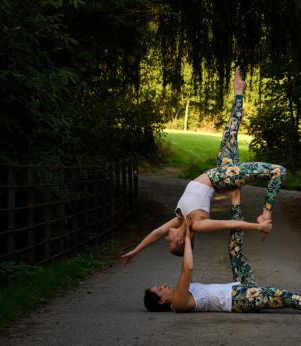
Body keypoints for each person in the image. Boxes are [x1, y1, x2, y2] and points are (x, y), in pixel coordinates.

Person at [121, 66, 286, 261]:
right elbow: (228, 225)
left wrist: (135, 251)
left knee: (230, 130)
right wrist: (259, 226)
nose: (167, 236)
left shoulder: (180, 217)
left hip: (219, 172)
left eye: (168, 240)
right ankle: (266, 214)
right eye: (170, 241)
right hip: (221, 178)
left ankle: (239, 91)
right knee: (279, 171)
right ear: (181, 240)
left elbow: (156, 232)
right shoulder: (198, 224)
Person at [143, 194, 301, 315]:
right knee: (290, 298)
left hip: (238, 289)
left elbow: (188, 260)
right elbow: (188, 268)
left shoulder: (176, 298)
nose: (162, 285)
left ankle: (236, 196)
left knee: (235, 250)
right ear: (163, 300)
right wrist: (185, 240)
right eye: (159, 289)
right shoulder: (179, 301)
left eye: (159, 286)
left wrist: (188, 232)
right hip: (243, 298)